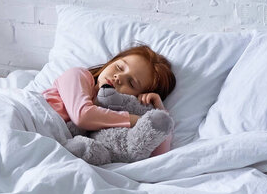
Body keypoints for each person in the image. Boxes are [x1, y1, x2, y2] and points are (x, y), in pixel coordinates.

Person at [43, 44, 177, 157]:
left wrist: (159, 112)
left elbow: (158, 156)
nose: (118, 77)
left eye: (131, 83)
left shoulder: (110, 120)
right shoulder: (78, 75)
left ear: (136, 96)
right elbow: (82, 116)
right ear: (111, 62)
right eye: (119, 67)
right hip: (33, 115)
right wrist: (140, 120)